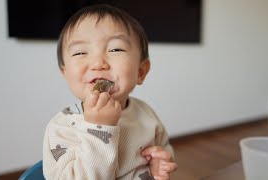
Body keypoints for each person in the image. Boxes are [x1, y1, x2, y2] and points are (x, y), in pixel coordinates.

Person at [43, 3, 177, 180]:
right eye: (80, 53)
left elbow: (164, 147)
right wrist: (99, 129)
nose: (98, 63)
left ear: (141, 71)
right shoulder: (62, 127)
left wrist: (160, 163)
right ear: (65, 73)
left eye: (115, 49)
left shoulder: (144, 113)